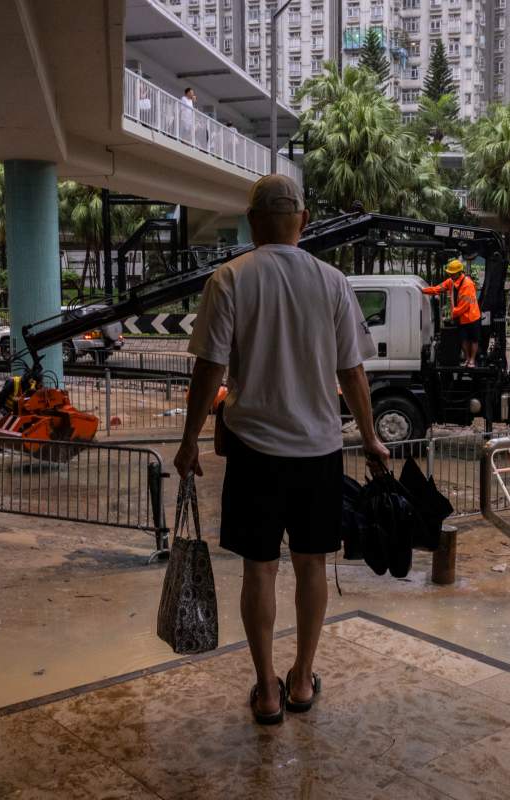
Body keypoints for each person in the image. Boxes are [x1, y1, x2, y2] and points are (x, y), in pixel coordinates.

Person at [174, 174, 389, 726]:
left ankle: (266, 689)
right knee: (312, 564)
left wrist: (189, 440)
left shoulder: (230, 279)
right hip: (319, 450)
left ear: (251, 222)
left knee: (259, 571)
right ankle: (300, 680)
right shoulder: (333, 282)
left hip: (253, 450)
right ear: (305, 220)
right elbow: (353, 372)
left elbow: (209, 370)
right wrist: (369, 436)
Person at [422, 258, 482, 365]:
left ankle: (472, 360)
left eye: (452, 273)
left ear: (459, 273)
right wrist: (423, 290)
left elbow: (465, 305)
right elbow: (438, 288)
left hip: (472, 317)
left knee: (473, 340)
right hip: (461, 317)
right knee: (463, 340)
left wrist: (453, 314)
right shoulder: (451, 281)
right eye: (450, 273)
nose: (450, 275)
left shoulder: (467, 284)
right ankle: (467, 359)